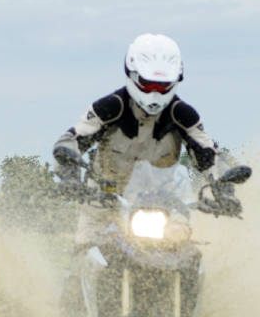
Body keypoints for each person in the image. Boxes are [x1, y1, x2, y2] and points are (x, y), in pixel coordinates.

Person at [54, 33, 241, 245]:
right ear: (132, 75)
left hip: (161, 208)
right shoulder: (109, 108)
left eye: (162, 85)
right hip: (103, 203)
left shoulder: (183, 116)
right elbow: (71, 140)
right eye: (147, 83)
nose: (154, 92)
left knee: (188, 253)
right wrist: (69, 177)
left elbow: (210, 155)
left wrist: (225, 191)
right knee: (85, 251)